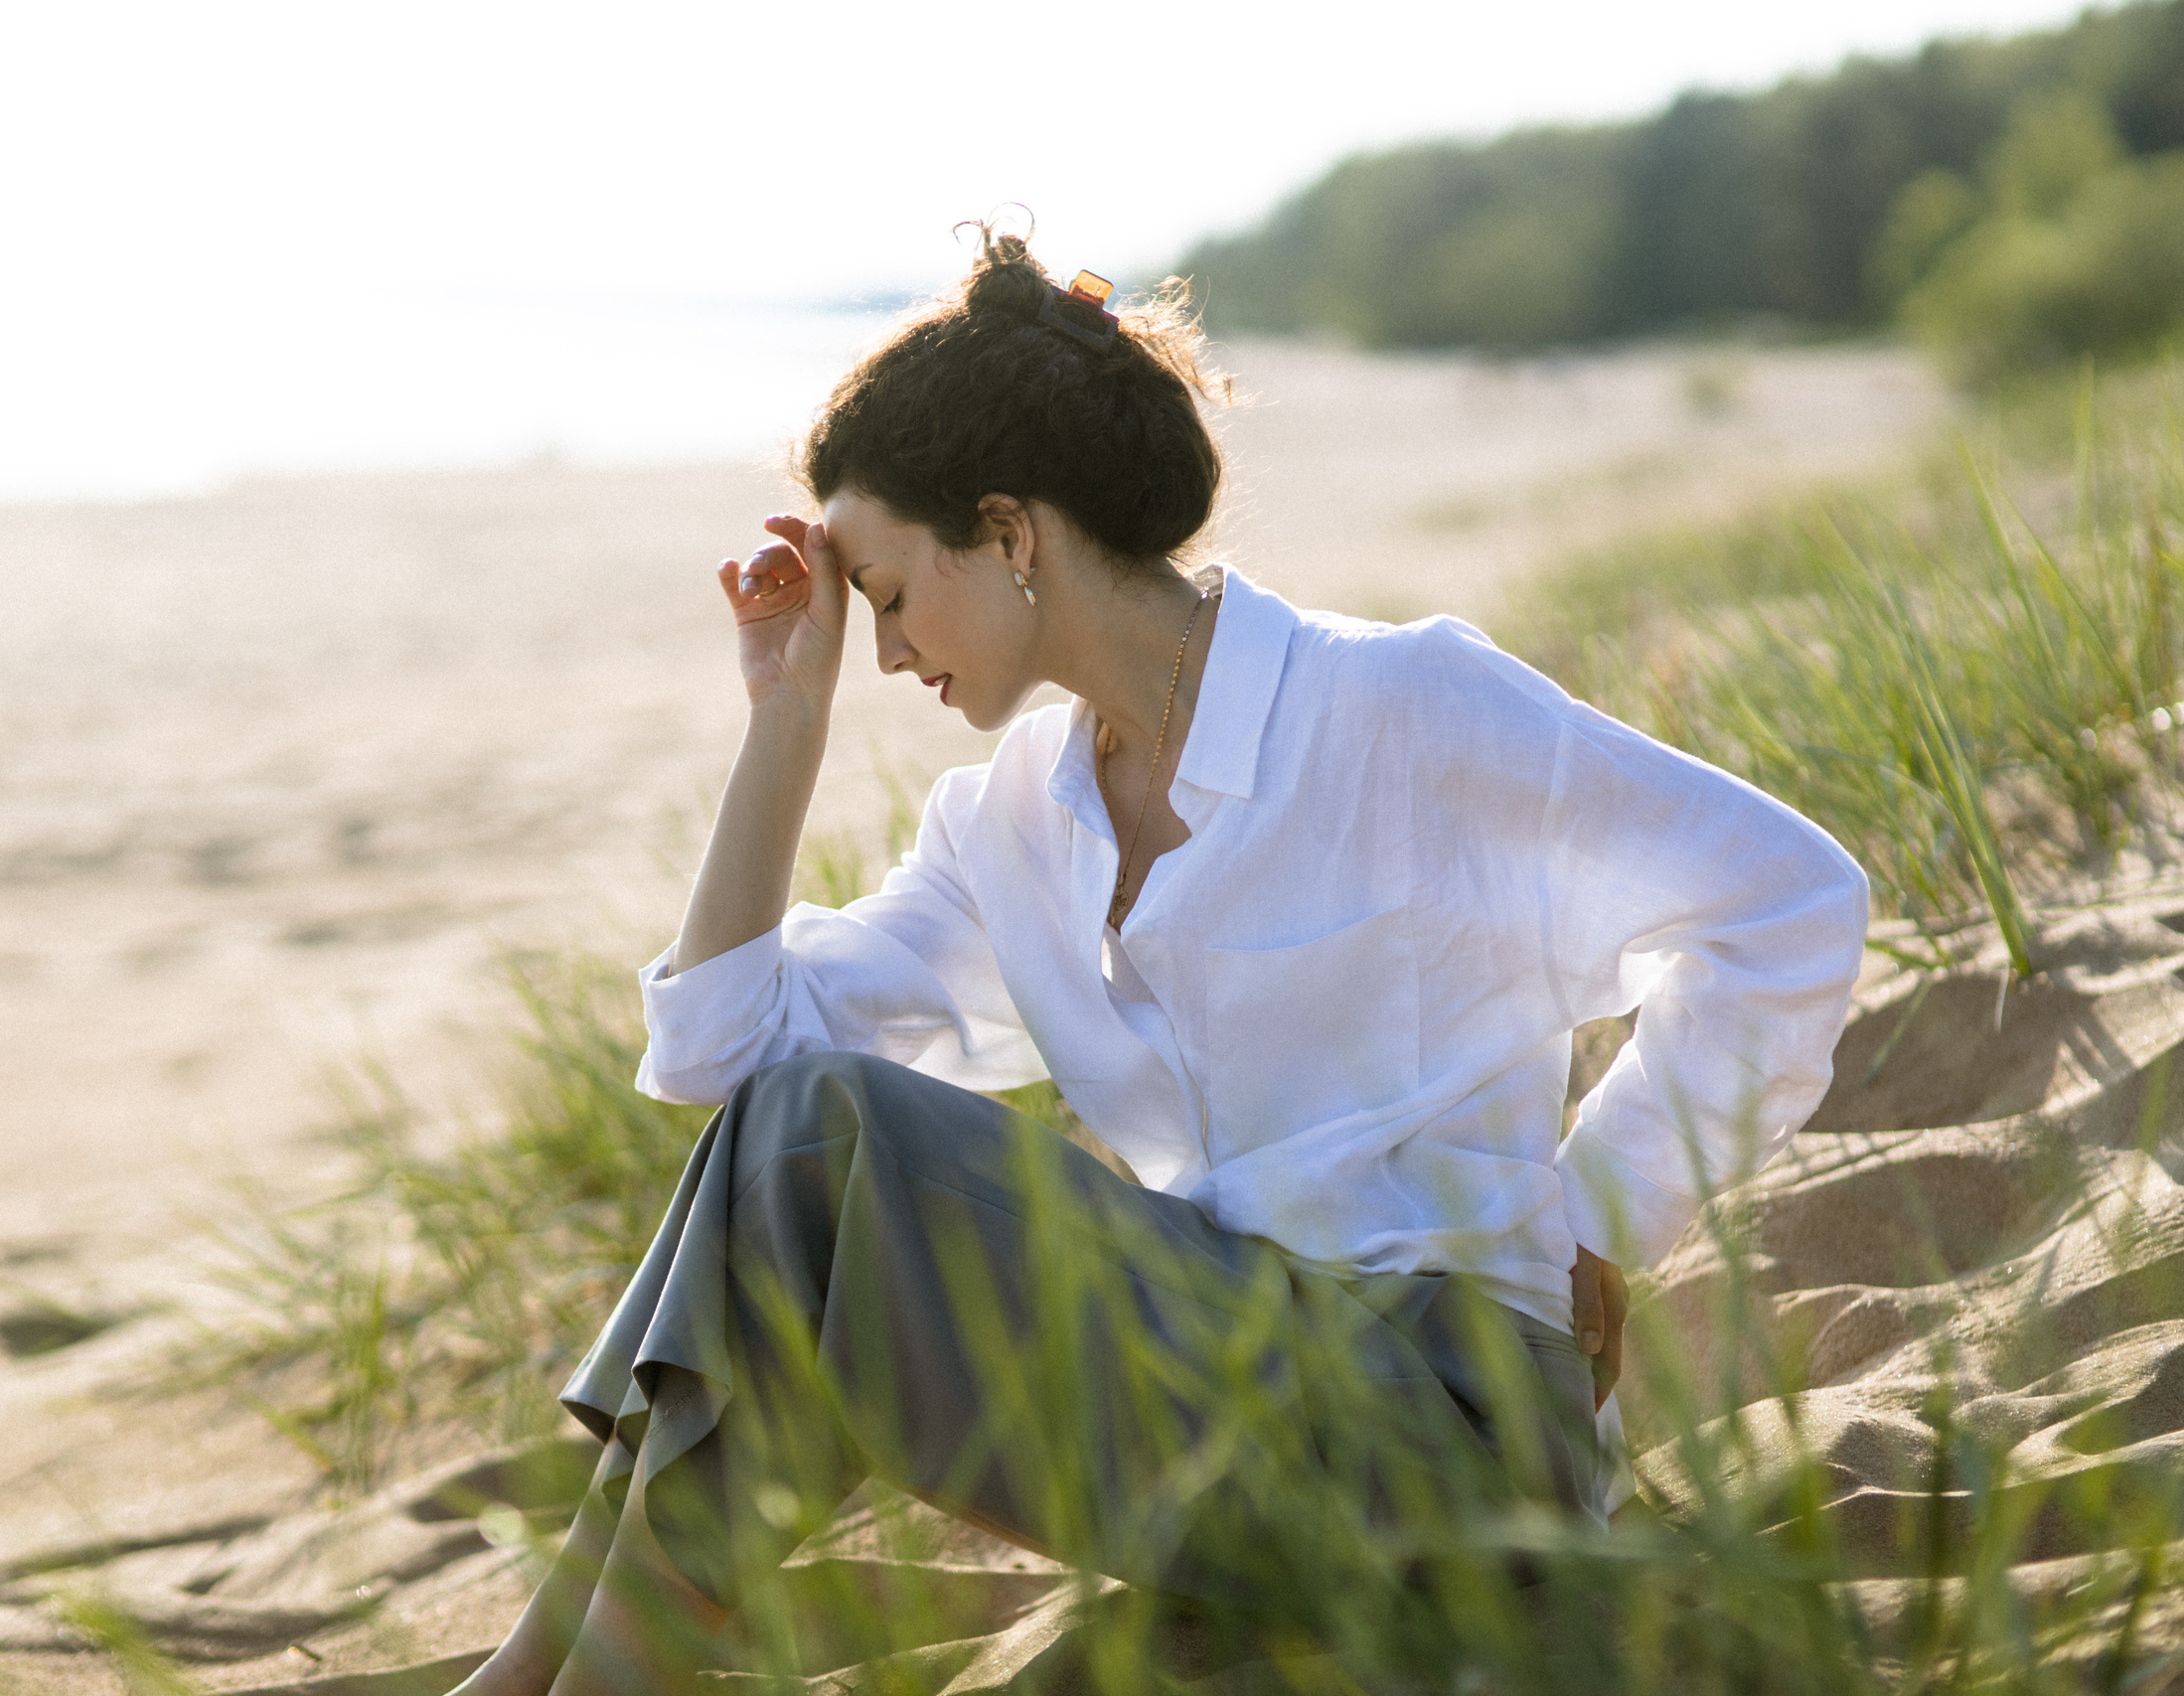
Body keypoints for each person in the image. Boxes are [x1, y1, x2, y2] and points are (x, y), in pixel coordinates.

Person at [449, 228, 1869, 1696]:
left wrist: (1596, 1216)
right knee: (795, 1137)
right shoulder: (1009, 826)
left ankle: (566, 1677)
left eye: (881, 596)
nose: (879, 655)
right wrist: (782, 723)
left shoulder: (1397, 706)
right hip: (1235, 1410)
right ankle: (555, 1669)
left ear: (1010, 534)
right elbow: (726, 1062)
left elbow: (1790, 905)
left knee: (826, 1137)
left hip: (1452, 1442)